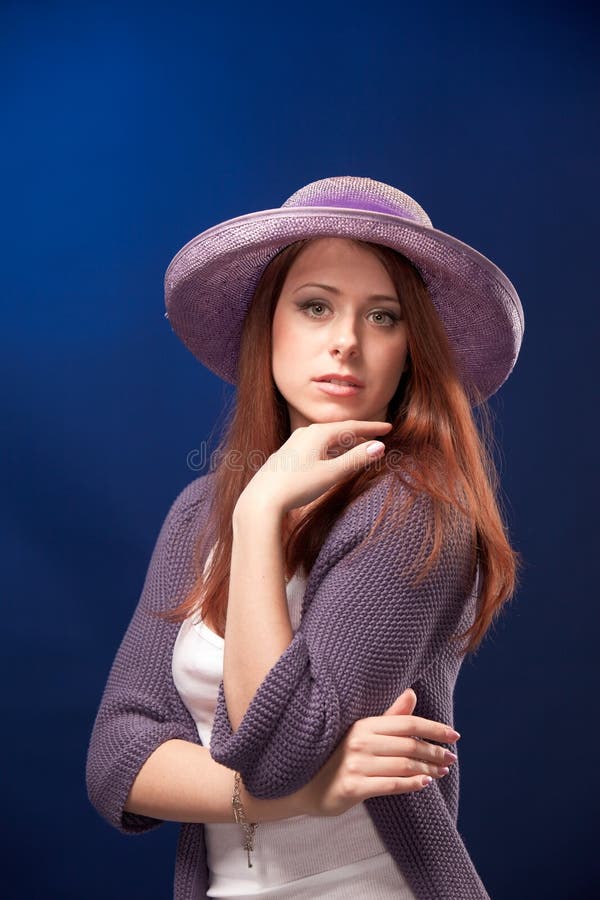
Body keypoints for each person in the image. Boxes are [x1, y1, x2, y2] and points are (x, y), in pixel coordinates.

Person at [86, 176, 524, 899]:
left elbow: (277, 751)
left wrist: (258, 519)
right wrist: (298, 798)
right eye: (316, 306)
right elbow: (114, 759)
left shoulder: (420, 516)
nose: (346, 342)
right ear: (270, 325)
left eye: (383, 317)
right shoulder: (198, 513)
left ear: (412, 349)